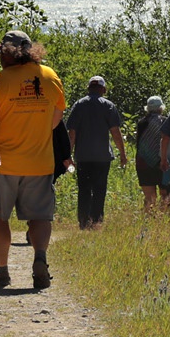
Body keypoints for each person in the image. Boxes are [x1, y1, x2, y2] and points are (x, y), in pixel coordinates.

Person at [0, 30, 66, 290]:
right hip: (40, 162)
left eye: (1, 53)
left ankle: (2, 272)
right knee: (40, 217)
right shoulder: (50, 77)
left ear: (10, 53)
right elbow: (56, 118)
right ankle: (40, 259)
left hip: (2, 163)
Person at [67, 76, 127, 229]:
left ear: (88, 88)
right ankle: (96, 222)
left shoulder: (79, 105)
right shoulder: (108, 106)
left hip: (83, 156)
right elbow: (115, 131)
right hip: (102, 157)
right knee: (100, 189)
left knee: (84, 189)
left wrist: (68, 155)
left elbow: (72, 132)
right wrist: (123, 153)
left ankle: (83, 222)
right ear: (103, 89)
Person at [133, 95, 167, 213]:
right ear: (161, 108)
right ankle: (164, 219)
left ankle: (148, 220)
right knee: (165, 195)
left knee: (149, 197)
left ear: (147, 108)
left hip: (143, 163)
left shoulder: (141, 123)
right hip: (163, 163)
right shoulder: (165, 122)